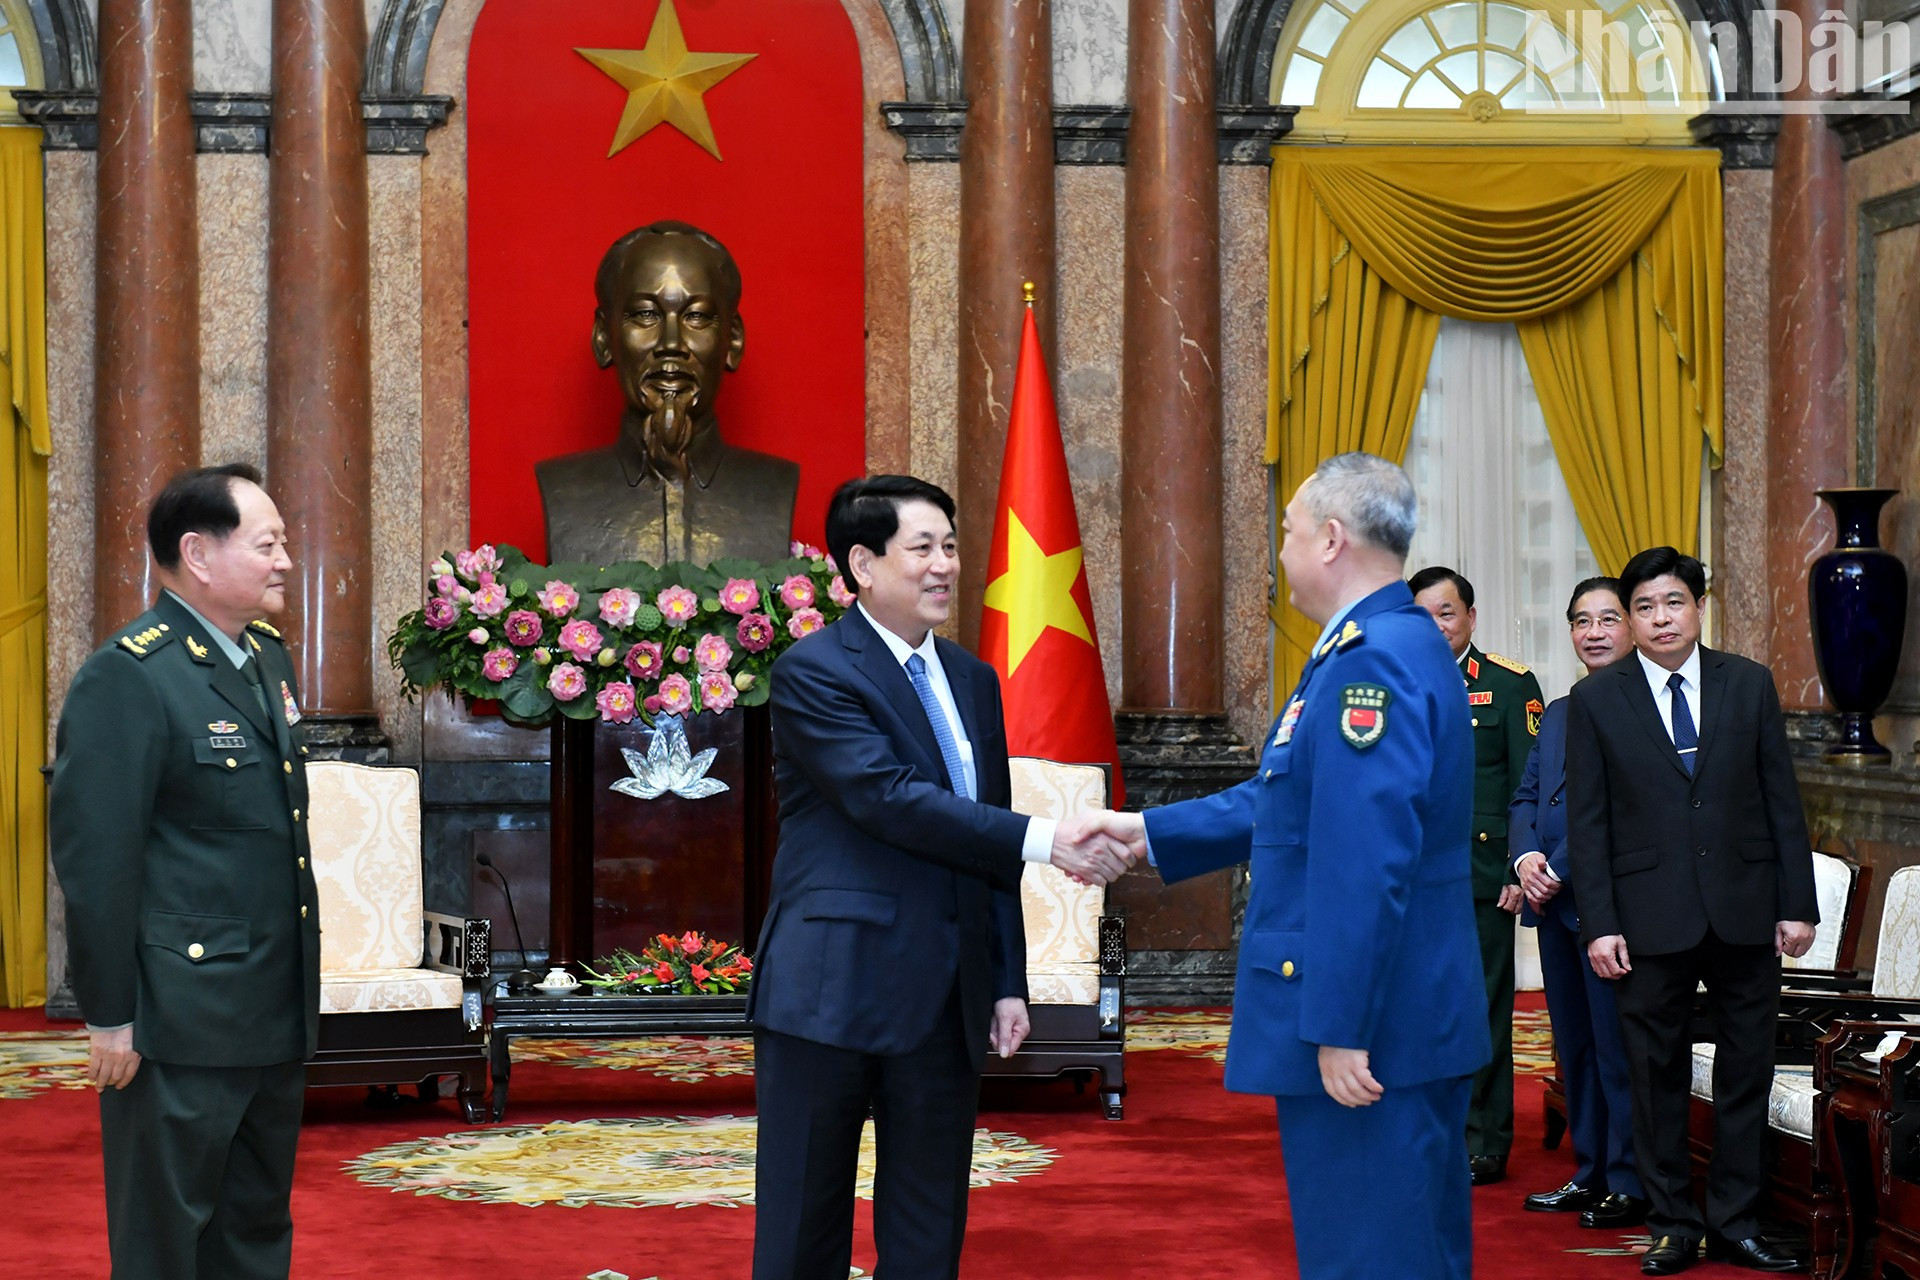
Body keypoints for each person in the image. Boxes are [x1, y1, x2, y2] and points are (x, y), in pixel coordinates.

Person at [1088, 453, 1489, 1278]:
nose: (1281, 550)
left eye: (1288, 531)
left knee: (1372, 1254)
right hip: (1406, 1011)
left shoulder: (1369, 664)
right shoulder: (1384, 645)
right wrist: (1145, 830)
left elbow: (1363, 861)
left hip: (1372, 1027)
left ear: (1332, 540)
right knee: (1405, 1243)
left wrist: (1341, 1027)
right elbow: (1291, 804)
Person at [747, 475, 1130, 1280]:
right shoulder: (814, 671)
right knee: (801, 1235)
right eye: (921, 548)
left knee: (927, 1234)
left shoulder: (973, 680)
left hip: (944, 996)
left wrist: (1004, 981)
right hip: (831, 993)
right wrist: (1049, 838)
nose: (944, 566)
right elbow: (890, 801)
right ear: (862, 563)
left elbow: (981, 838)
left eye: (951, 547)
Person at [48, 464, 319, 1280]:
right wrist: (110, 1016)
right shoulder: (128, 676)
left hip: (270, 1006)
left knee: (254, 1229)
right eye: (267, 544)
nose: (285, 562)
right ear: (198, 554)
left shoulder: (266, 661)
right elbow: (99, 862)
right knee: (166, 1241)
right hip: (179, 1020)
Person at [1567, 546, 1818, 1276]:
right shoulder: (1597, 700)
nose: (1659, 617)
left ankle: (1736, 1220)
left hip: (1744, 911)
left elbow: (1781, 802)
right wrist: (1602, 923)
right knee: (1655, 1077)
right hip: (1646, 920)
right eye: (1643, 607)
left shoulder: (1748, 684)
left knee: (1748, 1073)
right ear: (1632, 619)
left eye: (1672, 602)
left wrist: (1795, 904)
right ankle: (1674, 1222)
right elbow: (1590, 823)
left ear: (1699, 606)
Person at [536, 219, 798, 566]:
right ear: (603, 337)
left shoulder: (774, 486)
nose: (671, 344)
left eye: (697, 316)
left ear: (733, 340)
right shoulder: (563, 489)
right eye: (645, 315)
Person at [1511, 577, 1647, 1228]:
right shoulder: (1562, 710)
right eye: (1580, 621)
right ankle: (1590, 1171)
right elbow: (1527, 797)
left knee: (1617, 1049)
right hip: (1554, 908)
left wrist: (1558, 868)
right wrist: (1527, 860)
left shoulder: (1650, 706)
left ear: (1634, 624)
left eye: (1607, 618)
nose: (1592, 632)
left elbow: (1629, 809)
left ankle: (1628, 1179)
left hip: (1611, 910)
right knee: (1576, 1048)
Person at [1409, 564, 1544, 1186]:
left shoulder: (1509, 687)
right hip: (1405, 878)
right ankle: (1423, 1132)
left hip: (1480, 874)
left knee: (1480, 1007)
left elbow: (1527, 786)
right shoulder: (1392, 683)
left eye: (1446, 613)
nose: (1435, 627)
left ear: (1469, 616)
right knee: (1414, 1008)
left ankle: (1485, 1138)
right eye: (1423, 615)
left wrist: (1520, 863)